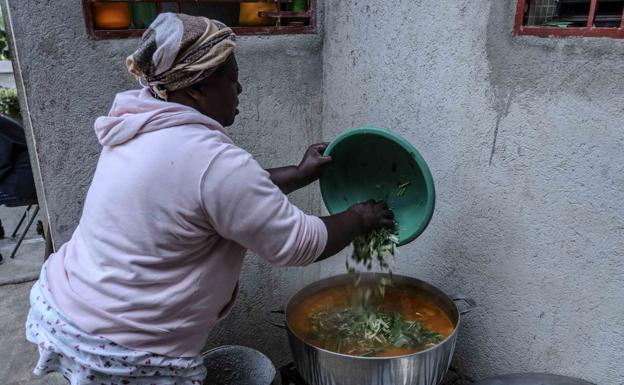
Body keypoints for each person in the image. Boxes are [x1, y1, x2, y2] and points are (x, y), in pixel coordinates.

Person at [25, 13, 393, 385]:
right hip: (122, 350)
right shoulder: (212, 160)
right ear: (196, 89)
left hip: (67, 306)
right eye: (232, 80)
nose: (240, 89)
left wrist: (299, 174)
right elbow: (298, 243)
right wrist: (362, 218)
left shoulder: (140, 125)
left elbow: (212, 197)